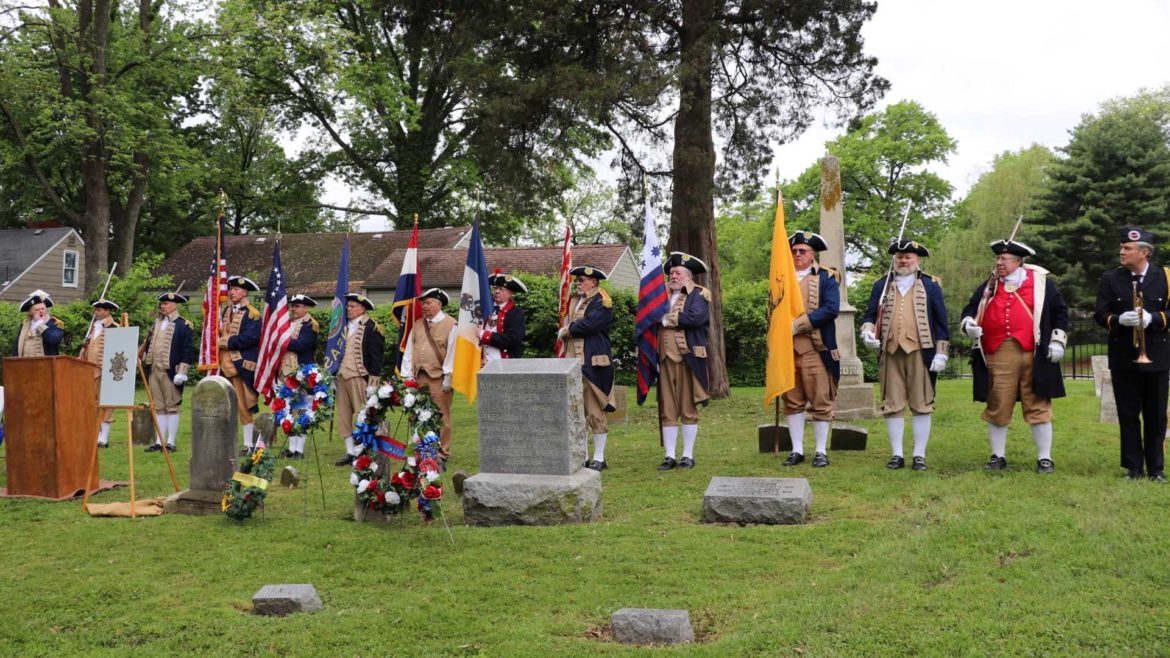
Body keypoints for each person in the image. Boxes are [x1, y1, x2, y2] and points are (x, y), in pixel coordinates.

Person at [960, 239, 1069, 473]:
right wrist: (968, 323)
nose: (999, 263)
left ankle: (1044, 458)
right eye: (998, 258)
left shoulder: (1041, 282)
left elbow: (1060, 312)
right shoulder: (989, 285)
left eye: (1005, 259)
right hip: (999, 351)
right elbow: (970, 309)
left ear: (1018, 262)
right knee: (999, 401)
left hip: (1034, 351)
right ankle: (997, 456)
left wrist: (1058, 340)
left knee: (1038, 402)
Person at [860, 238, 950, 471]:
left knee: (921, 404)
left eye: (908, 256)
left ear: (917, 259)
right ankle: (897, 454)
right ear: (894, 259)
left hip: (921, 351)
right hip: (890, 351)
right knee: (893, 404)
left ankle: (919, 455)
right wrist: (867, 333)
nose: (903, 260)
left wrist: (941, 353)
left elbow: (941, 322)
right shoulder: (882, 285)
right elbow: (870, 315)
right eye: (899, 256)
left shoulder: (931, 285)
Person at [1094, 227, 1170, 482]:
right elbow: (1099, 314)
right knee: (1127, 414)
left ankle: (1156, 469)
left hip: (1157, 356)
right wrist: (1118, 319)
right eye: (1122, 247)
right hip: (1123, 356)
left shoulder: (1166, 277)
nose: (1121, 252)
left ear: (1144, 252)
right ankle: (1133, 467)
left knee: (1156, 415)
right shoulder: (1110, 278)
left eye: (1127, 248)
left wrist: (1155, 318)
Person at [780, 232, 840, 468]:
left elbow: (831, 309)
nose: (797, 255)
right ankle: (796, 450)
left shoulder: (827, 277)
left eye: (802, 251)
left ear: (812, 253)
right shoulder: (781, 278)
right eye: (794, 251)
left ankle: (820, 451)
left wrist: (798, 325)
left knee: (820, 401)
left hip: (816, 349)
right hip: (787, 350)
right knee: (792, 401)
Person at [558, 265, 617, 470]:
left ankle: (599, 457)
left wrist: (567, 330)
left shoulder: (602, 301)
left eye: (582, 280)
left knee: (595, 412)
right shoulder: (574, 300)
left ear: (593, 282)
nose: (578, 283)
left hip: (594, 363)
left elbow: (590, 325)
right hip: (572, 362)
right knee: (577, 413)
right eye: (578, 280)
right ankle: (582, 456)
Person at [656, 252, 710, 471]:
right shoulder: (661, 296)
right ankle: (669, 455)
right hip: (664, 357)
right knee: (667, 408)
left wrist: (667, 319)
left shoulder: (699, 294)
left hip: (688, 357)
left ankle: (687, 455)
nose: (673, 276)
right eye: (671, 273)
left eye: (678, 273)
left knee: (688, 407)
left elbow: (696, 318)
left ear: (688, 276)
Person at [402, 288, 457, 462]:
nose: (424, 306)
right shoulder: (418, 324)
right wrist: (407, 376)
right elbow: (410, 351)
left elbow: (453, 352)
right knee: (418, 413)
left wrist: (448, 377)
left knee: (442, 415)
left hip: (439, 378)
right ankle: (422, 449)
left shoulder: (451, 324)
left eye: (428, 302)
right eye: (423, 303)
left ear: (439, 304)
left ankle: (442, 452)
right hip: (419, 376)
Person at [141, 291, 196, 452]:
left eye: (166, 304)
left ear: (174, 305)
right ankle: (159, 440)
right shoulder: (156, 323)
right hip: (154, 369)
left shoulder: (183, 325)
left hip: (171, 371)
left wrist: (183, 372)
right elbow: (149, 344)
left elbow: (188, 350)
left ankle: (170, 442)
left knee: (171, 406)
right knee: (158, 407)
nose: (162, 306)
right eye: (162, 303)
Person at [334, 293, 384, 466]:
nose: (348, 309)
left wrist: (373, 382)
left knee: (362, 415)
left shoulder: (372, 327)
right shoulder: (342, 328)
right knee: (344, 415)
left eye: (353, 306)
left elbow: (376, 357)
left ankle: (364, 450)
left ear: (362, 309)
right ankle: (349, 451)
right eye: (348, 306)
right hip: (342, 377)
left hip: (359, 377)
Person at [219, 275, 262, 454]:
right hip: (224, 365)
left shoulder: (253, 314)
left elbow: (250, 338)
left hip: (241, 365)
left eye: (236, 289)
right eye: (231, 289)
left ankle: (249, 445)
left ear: (245, 293)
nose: (232, 292)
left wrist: (227, 342)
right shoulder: (225, 311)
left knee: (244, 407)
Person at [279, 294, 319, 460]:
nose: (293, 309)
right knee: (287, 410)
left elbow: (302, 345)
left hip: (302, 372)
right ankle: (291, 447)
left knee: (303, 410)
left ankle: (299, 450)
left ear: (306, 308)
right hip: (286, 372)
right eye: (293, 306)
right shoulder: (287, 323)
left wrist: (282, 340)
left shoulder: (311, 325)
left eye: (297, 306)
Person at [80, 299, 120, 448]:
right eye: (96, 309)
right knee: (93, 403)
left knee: (107, 403)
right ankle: (96, 434)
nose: (96, 312)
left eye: (100, 310)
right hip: (90, 370)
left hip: (106, 371)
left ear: (108, 311)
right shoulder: (92, 328)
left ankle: (104, 437)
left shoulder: (115, 328)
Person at [481, 269, 526, 361]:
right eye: (495, 288)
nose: (497, 291)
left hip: (504, 365)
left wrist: (484, 335)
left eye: (501, 289)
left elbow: (513, 339)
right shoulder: (485, 309)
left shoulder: (516, 313)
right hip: (483, 364)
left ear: (510, 294)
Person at [13, 290, 63, 357]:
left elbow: (53, 341)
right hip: (25, 364)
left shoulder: (54, 323)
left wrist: (40, 324)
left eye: (43, 309)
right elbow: (17, 347)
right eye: (37, 310)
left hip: (46, 364)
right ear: (30, 313)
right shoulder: (24, 325)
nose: (41, 311)